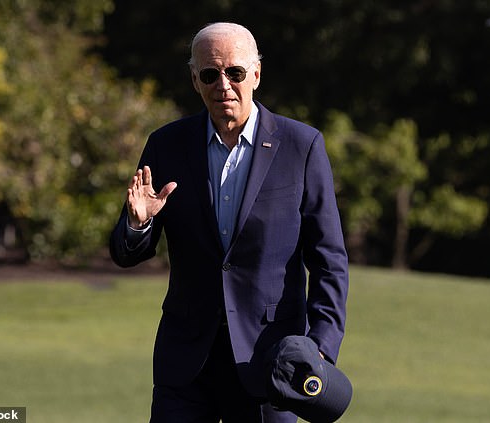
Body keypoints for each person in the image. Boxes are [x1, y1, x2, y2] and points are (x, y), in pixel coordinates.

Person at [109, 22, 349, 423]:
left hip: (272, 361)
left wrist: (320, 347)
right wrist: (138, 225)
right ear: (194, 81)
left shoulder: (301, 146)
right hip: (186, 361)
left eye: (234, 72)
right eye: (210, 74)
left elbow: (329, 259)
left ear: (255, 74)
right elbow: (125, 253)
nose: (223, 84)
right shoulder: (166, 144)